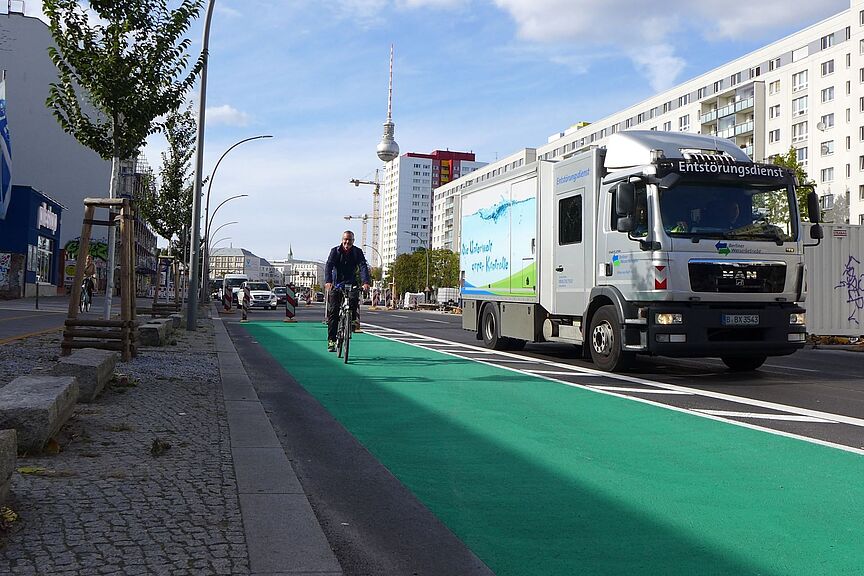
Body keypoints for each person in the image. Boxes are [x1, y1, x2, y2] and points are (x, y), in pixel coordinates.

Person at [324, 230, 371, 352]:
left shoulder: (357, 252)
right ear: (342, 240)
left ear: (353, 241)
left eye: (349, 240)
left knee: (354, 299)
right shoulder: (335, 251)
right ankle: (331, 340)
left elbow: (363, 267)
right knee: (333, 312)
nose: (347, 242)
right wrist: (328, 281)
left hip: (351, 282)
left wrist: (366, 282)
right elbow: (329, 266)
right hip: (336, 284)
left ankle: (352, 320)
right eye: (345, 239)